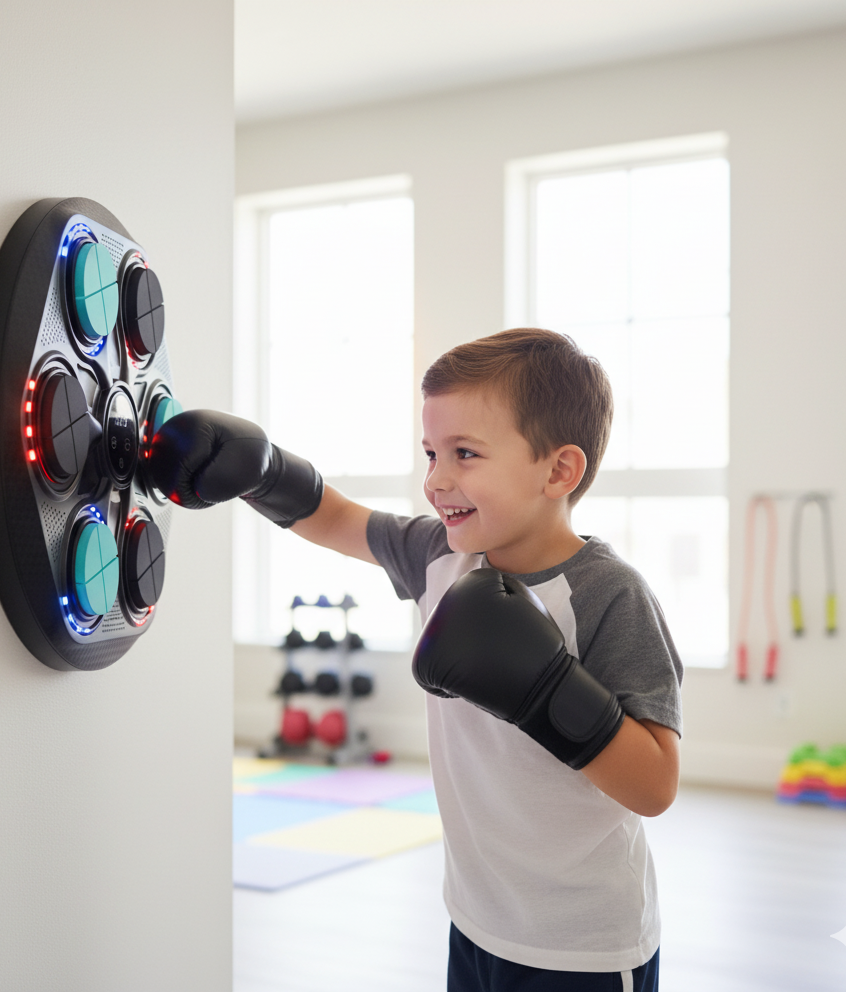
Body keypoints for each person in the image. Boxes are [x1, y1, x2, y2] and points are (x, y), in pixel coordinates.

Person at [149, 327, 682, 992]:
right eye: (431, 452)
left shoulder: (611, 594)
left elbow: (655, 785)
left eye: (465, 453)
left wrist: (543, 692)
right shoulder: (441, 555)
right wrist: (262, 470)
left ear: (559, 471)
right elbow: (338, 518)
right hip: (476, 917)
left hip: (585, 943)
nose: (436, 479)